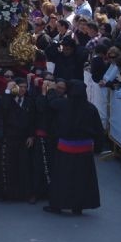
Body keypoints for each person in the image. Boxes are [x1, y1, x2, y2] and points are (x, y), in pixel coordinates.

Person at [44, 79, 104, 215]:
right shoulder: (90, 108)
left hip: (66, 148)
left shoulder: (63, 104)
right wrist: (98, 148)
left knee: (62, 178)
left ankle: (57, 205)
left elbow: (51, 102)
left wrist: (52, 89)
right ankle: (78, 207)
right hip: (84, 150)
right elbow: (99, 130)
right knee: (82, 180)